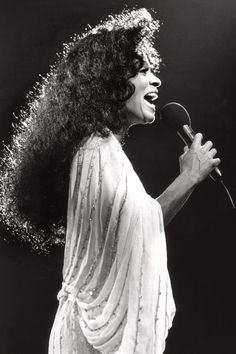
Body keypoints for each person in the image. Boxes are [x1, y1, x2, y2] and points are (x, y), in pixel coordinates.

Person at [0, 8, 220, 354]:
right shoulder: (95, 151)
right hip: (85, 340)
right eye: (143, 70)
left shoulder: (101, 149)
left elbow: (134, 228)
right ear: (111, 80)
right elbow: (139, 227)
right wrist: (189, 177)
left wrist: (189, 179)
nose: (157, 80)